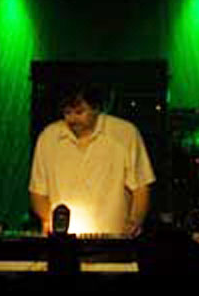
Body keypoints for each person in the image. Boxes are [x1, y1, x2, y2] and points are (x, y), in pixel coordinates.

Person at [29, 85, 156, 237]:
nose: (72, 119)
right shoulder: (49, 138)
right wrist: (49, 219)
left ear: (96, 108)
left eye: (79, 112)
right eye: (67, 113)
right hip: (63, 241)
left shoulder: (124, 134)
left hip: (113, 239)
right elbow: (38, 191)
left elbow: (141, 185)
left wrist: (135, 220)